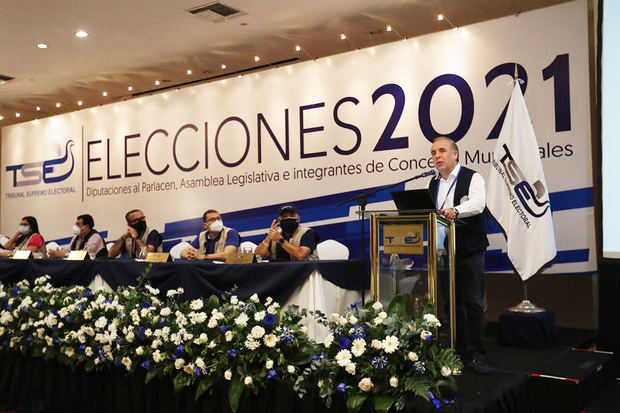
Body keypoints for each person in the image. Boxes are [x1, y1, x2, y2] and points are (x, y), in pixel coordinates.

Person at [429, 136, 490, 374]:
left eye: (442, 151)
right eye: (433, 152)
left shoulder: (472, 177)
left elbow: (478, 204)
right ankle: (456, 350)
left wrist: (455, 211)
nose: (437, 156)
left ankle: (477, 353)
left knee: (473, 301)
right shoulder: (433, 185)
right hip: (445, 252)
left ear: (455, 154)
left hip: (470, 249)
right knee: (450, 303)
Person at [255, 205, 319, 261]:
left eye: (291, 216)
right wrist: (268, 237)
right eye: (284, 216)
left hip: (306, 272)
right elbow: (259, 255)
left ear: (298, 218)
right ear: (279, 221)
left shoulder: (308, 233)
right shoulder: (275, 234)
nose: (288, 218)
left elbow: (301, 255)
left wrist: (280, 240)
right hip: (280, 273)